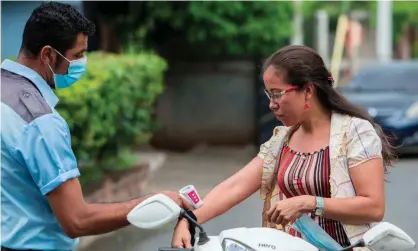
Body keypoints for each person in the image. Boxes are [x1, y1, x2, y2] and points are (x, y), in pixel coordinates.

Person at [1, 2, 187, 251]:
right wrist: (151, 202)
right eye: (77, 55)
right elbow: (77, 220)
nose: (83, 63)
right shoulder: (40, 122)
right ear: (48, 55)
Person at [171, 45, 395, 249]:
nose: (271, 104)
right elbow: (235, 187)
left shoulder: (355, 132)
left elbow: (373, 206)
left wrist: (308, 203)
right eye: (269, 94)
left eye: (278, 93)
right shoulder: (282, 139)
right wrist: (189, 220)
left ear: (308, 90)